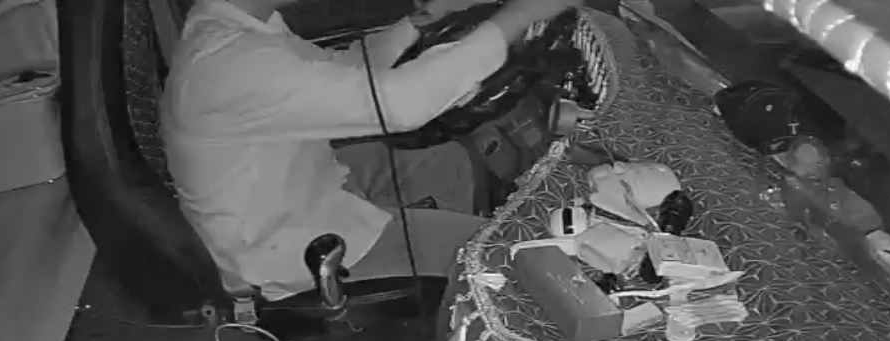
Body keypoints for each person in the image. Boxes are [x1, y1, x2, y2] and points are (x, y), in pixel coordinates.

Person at [162, 0, 583, 301]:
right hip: (286, 249)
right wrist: (520, 16)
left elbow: (342, 69)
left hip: (295, 187)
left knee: (449, 162)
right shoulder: (230, 62)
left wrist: (422, 21)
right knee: (498, 252)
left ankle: (445, 281)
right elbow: (399, 105)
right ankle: (462, 289)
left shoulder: (236, 26)